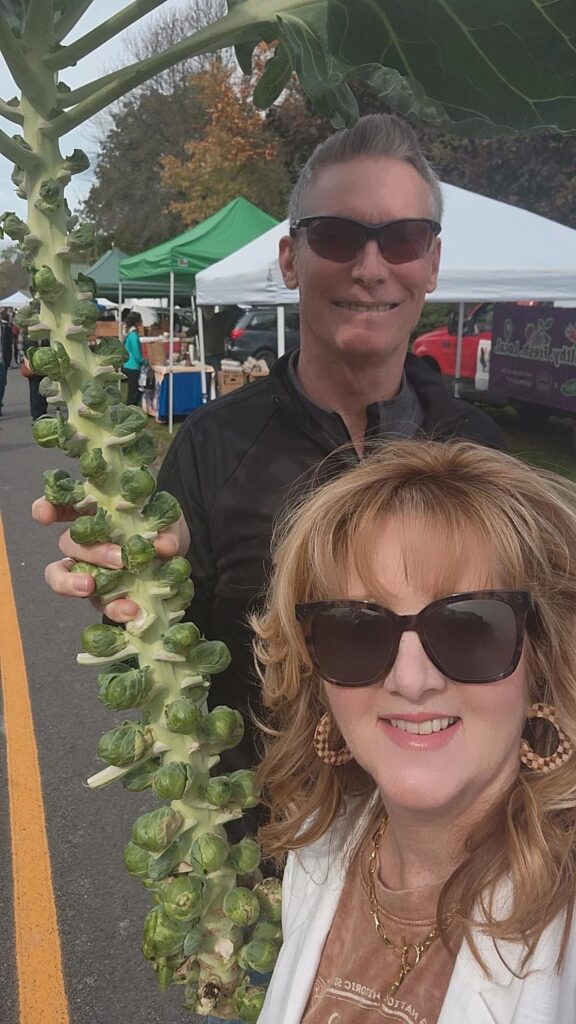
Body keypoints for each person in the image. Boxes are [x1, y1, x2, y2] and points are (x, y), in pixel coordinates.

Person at [33, 114, 504, 792]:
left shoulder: (480, 452)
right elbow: (167, 641)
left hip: (443, 859)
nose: (372, 268)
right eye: (338, 236)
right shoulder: (212, 444)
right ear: (290, 260)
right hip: (259, 857)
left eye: (402, 239)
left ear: (430, 264)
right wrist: (125, 572)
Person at [252, 439, 576, 1024]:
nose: (411, 679)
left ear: (544, 661)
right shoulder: (319, 854)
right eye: (356, 630)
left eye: (470, 627)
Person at [122, 311, 146, 405]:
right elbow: (137, 355)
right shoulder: (133, 335)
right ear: (137, 322)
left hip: (127, 365)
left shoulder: (128, 333)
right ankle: (130, 409)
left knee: (132, 391)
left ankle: (130, 407)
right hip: (133, 367)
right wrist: (146, 362)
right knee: (133, 392)